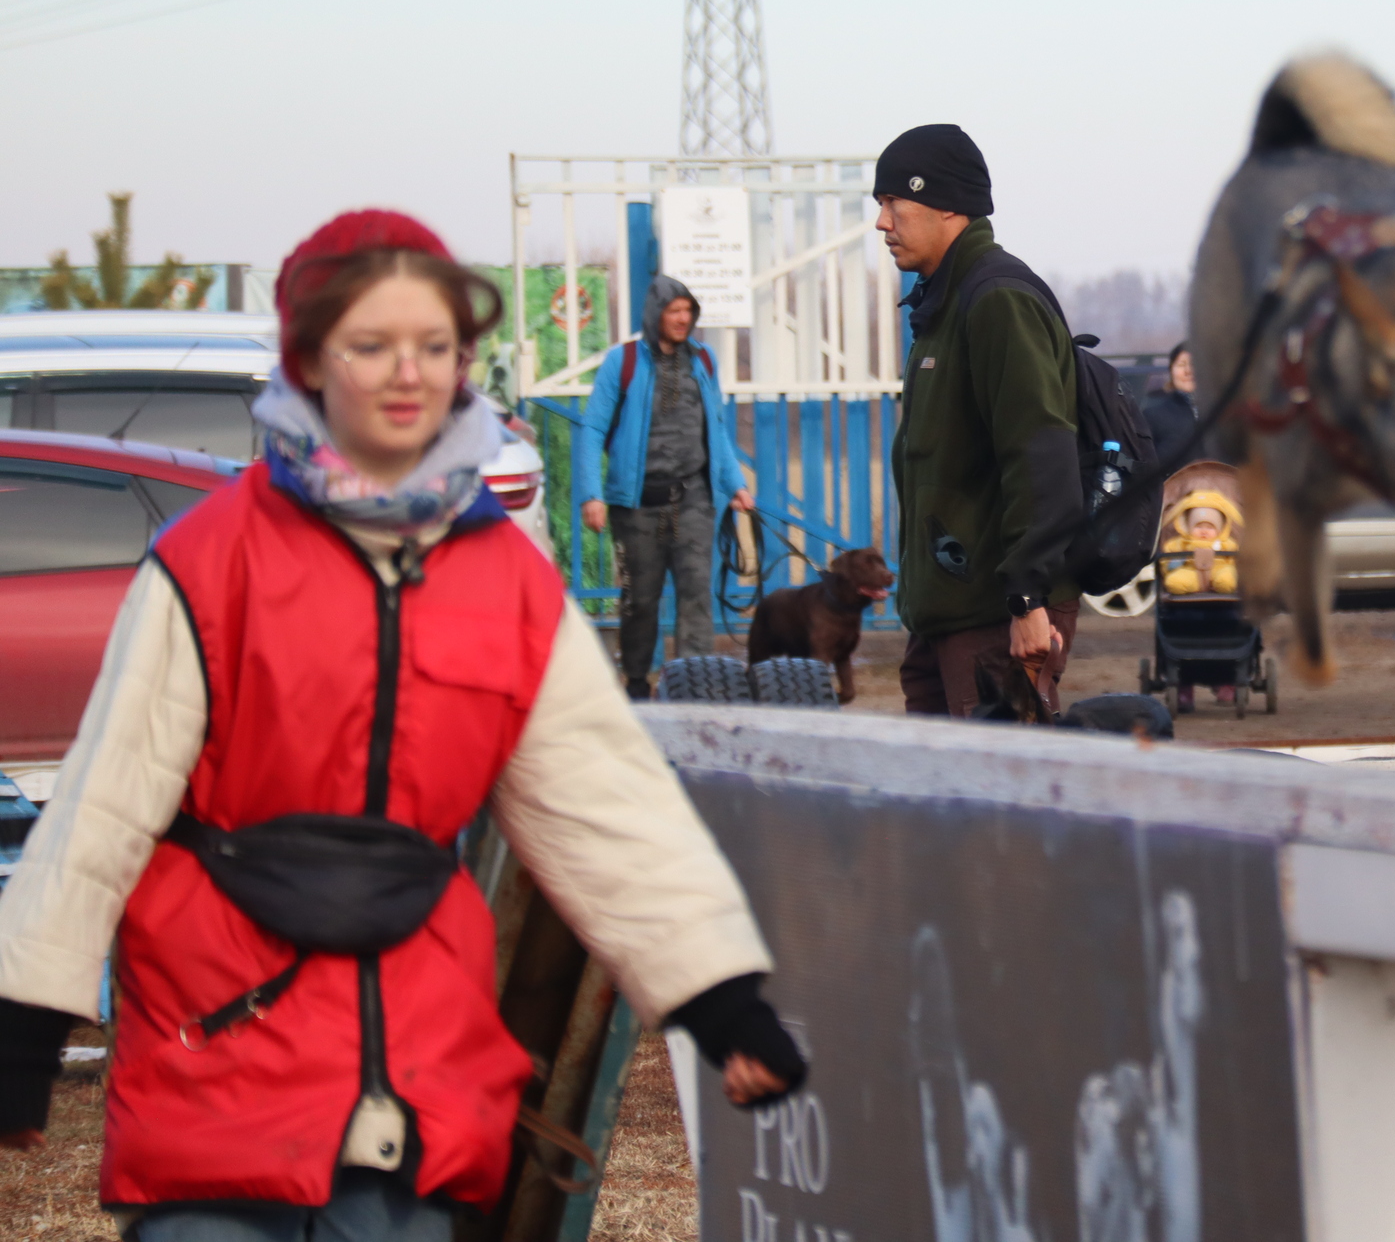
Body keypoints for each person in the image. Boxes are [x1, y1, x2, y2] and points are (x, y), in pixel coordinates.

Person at [0, 213, 804, 1237]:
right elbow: (104, 801)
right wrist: (25, 1021)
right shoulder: (209, 563)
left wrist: (717, 999)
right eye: (369, 346)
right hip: (220, 1052)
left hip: (415, 1073)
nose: (405, 373)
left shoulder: (512, 585)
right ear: (305, 360)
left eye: (432, 347)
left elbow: (609, 806)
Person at [878, 124, 1085, 717]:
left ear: (947, 207)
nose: (882, 222)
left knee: (996, 800)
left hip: (998, 615)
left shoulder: (996, 300)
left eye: (895, 203)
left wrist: (1027, 599)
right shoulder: (941, 304)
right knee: (939, 797)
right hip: (949, 611)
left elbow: (1040, 457)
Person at [574, 275, 753, 699]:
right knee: (641, 600)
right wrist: (590, 494)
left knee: (695, 595)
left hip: (694, 498)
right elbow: (593, 427)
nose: (682, 319)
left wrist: (736, 485)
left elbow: (718, 430)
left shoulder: (704, 360)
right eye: (673, 311)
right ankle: (636, 682)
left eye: (687, 311)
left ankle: (696, 685)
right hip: (636, 505)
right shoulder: (624, 362)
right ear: (655, 314)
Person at [1143, 342, 1201, 467]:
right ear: (1171, 370)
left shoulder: (1226, 414)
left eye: (1195, 364)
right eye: (1181, 365)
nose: (1188, 371)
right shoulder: (1152, 416)